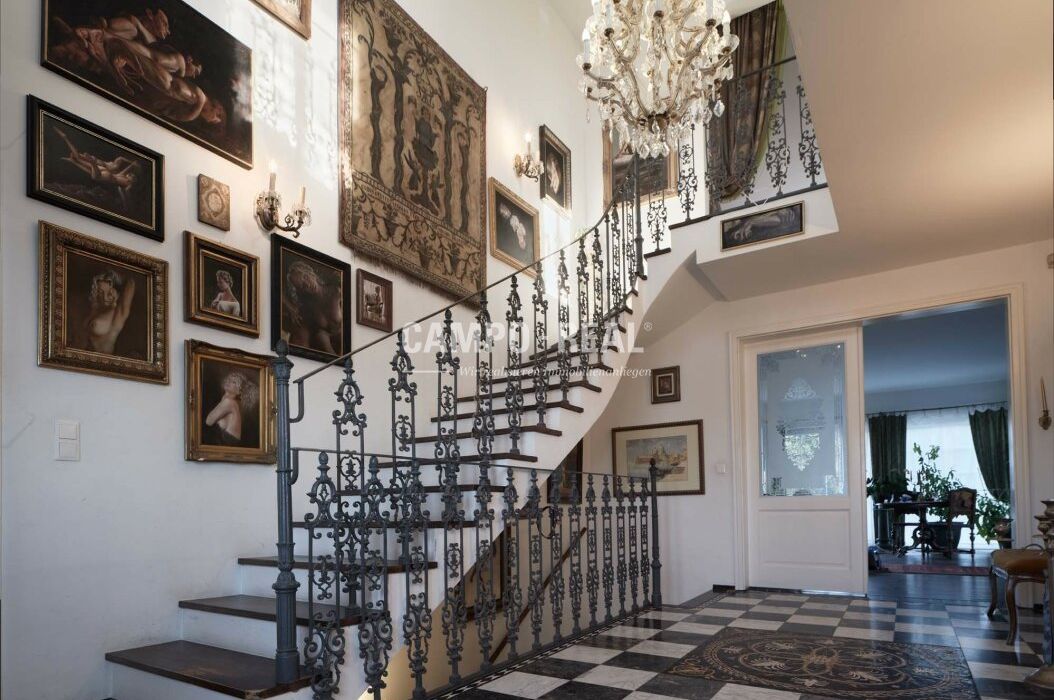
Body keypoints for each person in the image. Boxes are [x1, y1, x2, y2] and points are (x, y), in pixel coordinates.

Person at [54, 126, 140, 208]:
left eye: (131, 176)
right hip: (104, 173)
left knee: (83, 161)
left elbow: (127, 192)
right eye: (130, 174)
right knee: (81, 160)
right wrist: (132, 164)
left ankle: (68, 141)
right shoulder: (122, 176)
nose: (129, 175)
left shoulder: (128, 184)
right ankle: (67, 140)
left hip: (102, 174)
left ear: (131, 180)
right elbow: (127, 169)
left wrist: (125, 198)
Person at [283, 260, 343, 355]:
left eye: (306, 277)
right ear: (300, 291)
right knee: (320, 336)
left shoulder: (336, 291)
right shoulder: (307, 308)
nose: (307, 284)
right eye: (302, 286)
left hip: (345, 340)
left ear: (311, 273)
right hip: (328, 348)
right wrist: (290, 308)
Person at [75, 269, 135, 355]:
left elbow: (131, 283)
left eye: (109, 293)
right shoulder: (96, 308)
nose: (105, 297)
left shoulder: (119, 314)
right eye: (100, 292)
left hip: (102, 360)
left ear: (117, 294)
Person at [204, 371, 258, 446]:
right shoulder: (229, 401)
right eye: (229, 379)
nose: (228, 381)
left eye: (234, 382)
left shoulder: (229, 402)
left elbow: (208, 421)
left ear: (239, 391)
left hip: (226, 443)